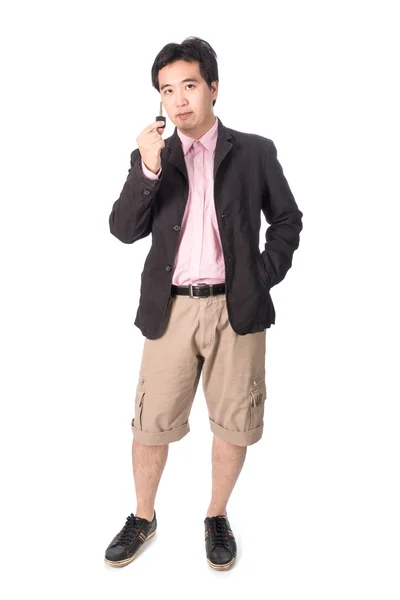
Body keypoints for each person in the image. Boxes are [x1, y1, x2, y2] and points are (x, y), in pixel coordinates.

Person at [104, 36, 303, 570]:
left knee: (233, 422)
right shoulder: (154, 156)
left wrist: (261, 277)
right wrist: (146, 169)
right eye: (167, 91)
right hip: (170, 310)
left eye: (188, 86)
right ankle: (143, 516)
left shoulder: (256, 151)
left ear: (213, 88)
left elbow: (287, 220)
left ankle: (216, 515)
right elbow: (123, 230)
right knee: (151, 423)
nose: (178, 100)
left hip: (238, 310)